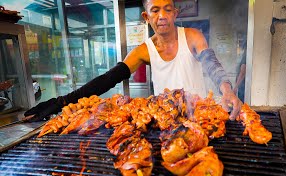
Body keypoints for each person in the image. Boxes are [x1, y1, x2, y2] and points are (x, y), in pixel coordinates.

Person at [24, 0, 242, 122]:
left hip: (199, 115)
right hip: (164, 120)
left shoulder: (193, 36)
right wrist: (63, 101)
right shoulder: (144, 50)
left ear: (176, 13)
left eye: (168, 9)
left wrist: (227, 90)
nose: (162, 16)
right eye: (155, 10)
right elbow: (109, 79)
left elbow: (211, 63)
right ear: (146, 17)